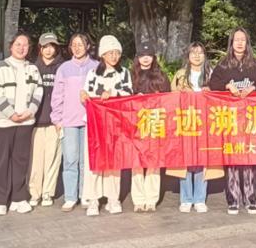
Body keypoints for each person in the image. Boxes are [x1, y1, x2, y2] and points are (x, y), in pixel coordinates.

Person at [209, 28, 256, 215]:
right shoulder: (223, 65)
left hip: (250, 118)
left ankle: (251, 199)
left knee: (249, 158)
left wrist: (253, 87)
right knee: (232, 158)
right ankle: (233, 199)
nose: (239, 43)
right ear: (231, 42)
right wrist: (227, 86)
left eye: (243, 39)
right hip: (230, 119)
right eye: (236, 39)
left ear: (247, 42)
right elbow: (213, 85)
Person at [0, 31, 44, 216]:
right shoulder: (1, 69)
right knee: (3, 160)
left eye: (25, 45)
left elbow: (39, 91)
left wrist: (30, 111)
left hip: (26, 122)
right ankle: (0, 200)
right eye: (18, 44)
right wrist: (10, 114)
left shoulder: (33, 69)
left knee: (21, 160)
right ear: (11, 47)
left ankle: (18, 198)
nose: (21, 48)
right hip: (4, 122)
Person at [168, 41, 222, 213]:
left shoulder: (212, 74)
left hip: (205, 122)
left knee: (202, 159)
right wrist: (181, 94)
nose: (197, 56)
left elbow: (219, 95)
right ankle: (186, 198)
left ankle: (199, 198)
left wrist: (210, 91)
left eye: (200, 52)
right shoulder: (180, 74)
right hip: (185, 121)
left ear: (205, 55)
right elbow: (171, 96)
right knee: (185, 158)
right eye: (193, 52)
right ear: (188, 56)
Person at [82, 35, 133, 216]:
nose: (114, 56)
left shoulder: (124, 73)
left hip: (116, 123)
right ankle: (93, 199)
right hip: (96, 122)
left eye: (117, 53)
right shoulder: (92, 73)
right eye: (110, 53)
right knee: (94, 159)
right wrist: (85, 95)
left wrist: (113, 93)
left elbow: (128, 92)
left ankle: (113, 198)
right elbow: (87, 92)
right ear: (102, 55)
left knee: (114, 160)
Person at [51, 32, 99, 212]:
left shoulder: (96, 67)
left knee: (86, 161)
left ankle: (85, 194)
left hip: (90, 121)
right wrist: (57, 119)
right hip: (69, 120)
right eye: (74, 45)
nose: (77, 48)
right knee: (70, 159)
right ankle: (70, 196)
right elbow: (57, 96)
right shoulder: (64, 68)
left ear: (88, 46)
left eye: (81, 44)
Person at [130, 41, 170, 212]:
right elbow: (124, 98)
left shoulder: (162, 76)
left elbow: (168, 100)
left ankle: (151, 198)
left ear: (153, 57)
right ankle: (138, 199)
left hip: (155, 121)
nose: (145, 59)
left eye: (149, 55)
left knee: (154, 160)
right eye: (142, 55)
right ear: (137, 57)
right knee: (136, 161)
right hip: (136, 123)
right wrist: (135, 97)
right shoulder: (131, 76)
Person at [29, 32, 65, 208]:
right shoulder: (33, 67)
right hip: (35, 121)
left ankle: (47, 193)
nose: (49, 50)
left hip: (55, 122)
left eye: (52, 46)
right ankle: (34, 192)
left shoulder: (62, 68)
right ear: (40, 48)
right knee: (36, 160)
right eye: (45, 46)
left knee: (53, 159)